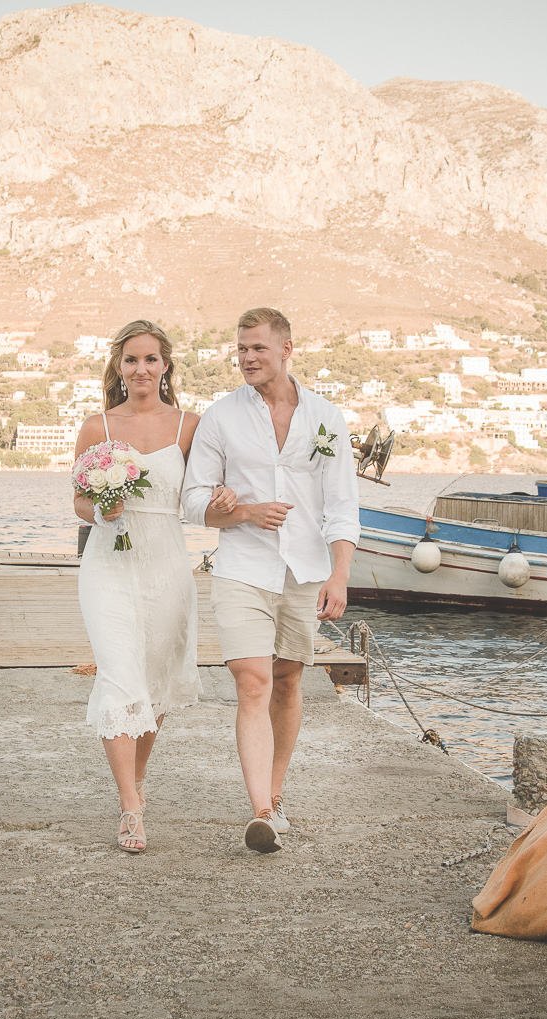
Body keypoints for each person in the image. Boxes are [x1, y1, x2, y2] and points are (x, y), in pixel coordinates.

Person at [181, 307, 361, 854]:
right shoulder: (220, 418)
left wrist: (340, 576)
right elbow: (192, 504)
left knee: (287, 681)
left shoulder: (327, 418)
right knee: (252, 680)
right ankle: (260, 811)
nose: (248, 358)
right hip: (242, 567)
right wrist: (240, 512)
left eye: (258, 348)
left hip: (305, 572)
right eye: (241, 349)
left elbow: (342, 507)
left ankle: (276, 797)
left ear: (287, 348)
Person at [74, 320, 235, 853]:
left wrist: (229, 502)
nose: (140, 369)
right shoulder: (97, 427)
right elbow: (77, 499)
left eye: (150, 359)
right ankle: (130, 807)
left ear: (166, 366)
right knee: (120, 677)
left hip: (167, 563)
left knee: (156, 682)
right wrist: (101, 507)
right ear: (118, 368)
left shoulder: (191, 426)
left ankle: (137, 781)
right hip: (109, 567)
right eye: (130, 360)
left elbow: (205, 493)